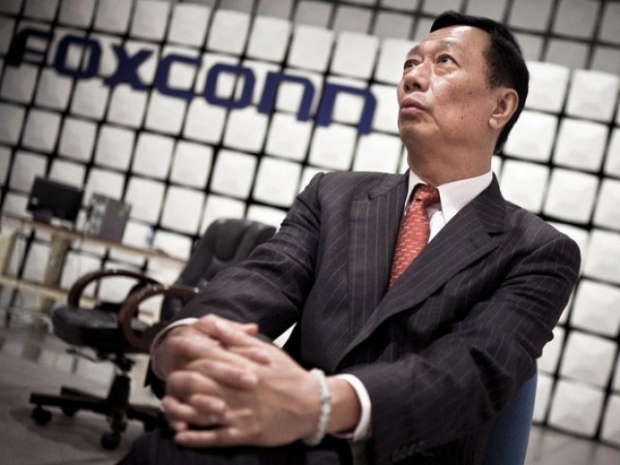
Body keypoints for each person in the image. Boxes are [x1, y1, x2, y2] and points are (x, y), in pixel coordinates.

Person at [119, 10, 581, 465]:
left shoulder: (537, 251)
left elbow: (471, 372)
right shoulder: (333, 195)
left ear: (500, 107)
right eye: (410, 63)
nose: (413, 77)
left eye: (444, 61)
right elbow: (264, 279)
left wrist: (322, 403)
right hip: (274, 439)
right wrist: (189, 336)